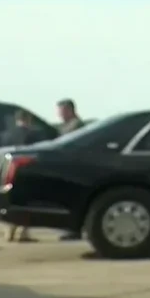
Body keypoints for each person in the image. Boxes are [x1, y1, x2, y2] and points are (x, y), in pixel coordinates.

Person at [0, 110, 49, 243]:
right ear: (29, 119)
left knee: (11, 201)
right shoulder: (34, 134)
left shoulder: (7, 134)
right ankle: (23, 233)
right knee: (26, 202)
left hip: (10, 170)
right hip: (27, 170)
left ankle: (9, 231)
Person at [55, 98, 86, 241]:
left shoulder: (76, 125)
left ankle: (74, 230)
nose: (59, 114)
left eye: (62, 111)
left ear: (69, 110)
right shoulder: (65, 126)